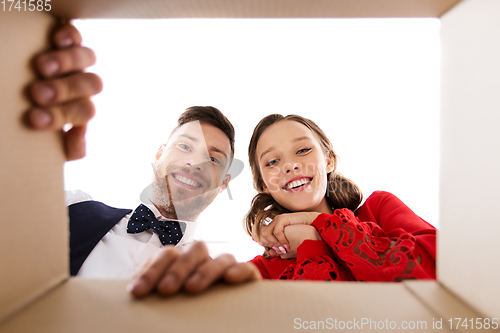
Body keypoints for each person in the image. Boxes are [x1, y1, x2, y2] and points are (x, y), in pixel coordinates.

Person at [26, 23, 261, 295]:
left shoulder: (215, 287)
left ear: (224, 183)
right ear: (159, 154)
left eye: (213, 159)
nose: (194, 163)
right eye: (185, 146)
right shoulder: (67, 208)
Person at [244, 114, 436, 281]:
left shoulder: (380, 209)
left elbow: (441, 272)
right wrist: (309, 244)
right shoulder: (261, 272)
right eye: (273, 161)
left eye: (302, 150)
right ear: (264, 185)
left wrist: (317, 224)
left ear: (328, 161)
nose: (290, 165)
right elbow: (317, 320)